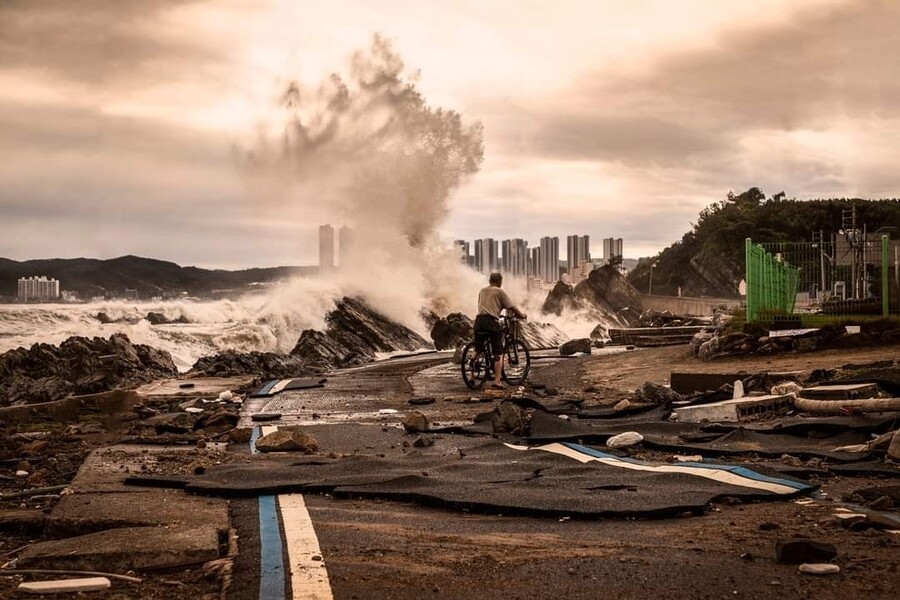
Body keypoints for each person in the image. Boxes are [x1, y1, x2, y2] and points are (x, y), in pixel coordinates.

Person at [474, 272, 527, 389]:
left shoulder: (482, 291)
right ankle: (497, 381)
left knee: (478, 348)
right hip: (490, 322)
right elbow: (512, 307)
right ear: (500, 282)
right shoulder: (499, 291)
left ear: (489, 281)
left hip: (478, 321)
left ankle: (471, 374)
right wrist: (522, 315)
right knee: (498, 352)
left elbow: (483, 306)